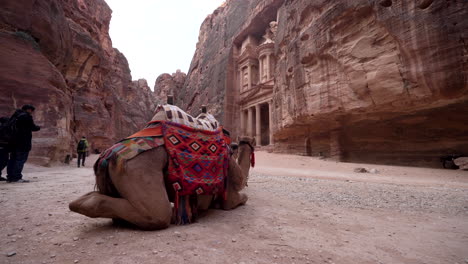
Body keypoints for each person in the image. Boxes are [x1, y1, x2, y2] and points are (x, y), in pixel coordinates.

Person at [6, 104, 40, 183]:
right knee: (20, 160)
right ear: (28, 110)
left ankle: (10, 177)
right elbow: (33, 127)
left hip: (13, 142)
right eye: (31, 111)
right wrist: (38, 127)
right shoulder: (26, 116)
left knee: (12, 159)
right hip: (23, 142)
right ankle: (17, 177)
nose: (31, 113)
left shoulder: (15, 116)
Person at [0, 117, 10, 181]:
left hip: (3, 146)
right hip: (2, 147)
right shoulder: (3, 128)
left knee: (3, 161)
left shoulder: (2, 127)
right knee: (3, 161)